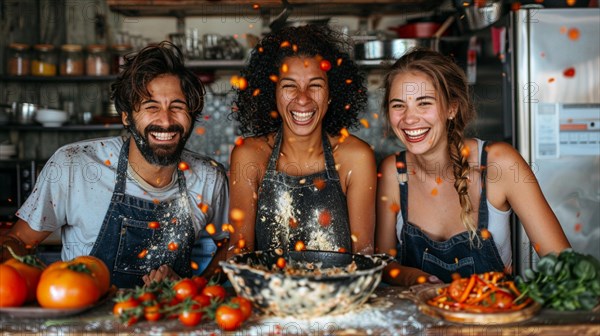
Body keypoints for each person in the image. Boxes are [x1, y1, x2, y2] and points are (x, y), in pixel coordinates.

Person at [0, 42, 229, 288]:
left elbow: (235, 245)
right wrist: (37, 289)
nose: (165, 120)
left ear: (192, 115)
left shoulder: (209, 177)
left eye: (177, 106)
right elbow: (17, 242)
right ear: (126, 116)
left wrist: (197, 288)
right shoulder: (74, 164)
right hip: (87, 320)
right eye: (151, 107)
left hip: (172, 318)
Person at [375, 48, 571, 285]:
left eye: (423, 103)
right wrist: (414, 278)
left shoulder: (500, 164)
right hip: (418, 320)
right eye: (398, 105)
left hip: (494, 318)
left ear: (451, 108)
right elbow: (382, 262)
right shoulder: (394, 171)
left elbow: (564, 266)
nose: (409, 118)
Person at [228, 25, 376, 257]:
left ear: (331, 94)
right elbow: (239, 251)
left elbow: (364, 255)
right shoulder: (249, 155)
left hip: (337, 291)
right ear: (271, 92)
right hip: (267, 291)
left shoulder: (356, 157)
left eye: (315, 85)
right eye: (289, 86)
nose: (303, 99)